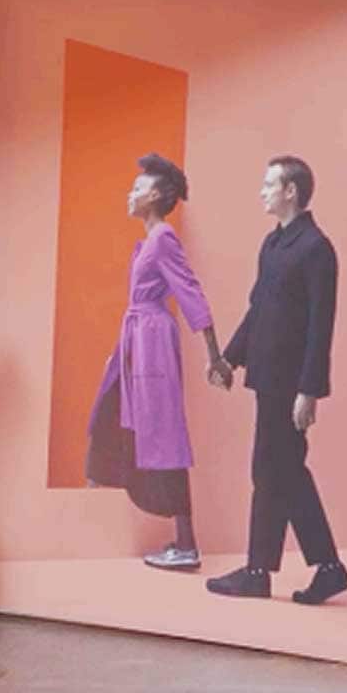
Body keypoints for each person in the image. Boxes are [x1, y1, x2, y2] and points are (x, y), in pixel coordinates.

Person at [205, 155, 347, 605]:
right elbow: (259, 310)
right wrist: (229, 357)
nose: (262, 191)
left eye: (270, 184)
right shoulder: (273, 246)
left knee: (277, 471)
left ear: (291, 191)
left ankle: (275, 571)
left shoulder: (316, 248)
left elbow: (319, 327)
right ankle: (310, 569)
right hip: (266, 379)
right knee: (280, 472)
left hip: (291, 385)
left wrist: (309, 392)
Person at [86, 153, 233, 571]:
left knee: (165, 433)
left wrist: (215, 356)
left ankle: (186, 545)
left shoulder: (164, 238)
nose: (129, 194)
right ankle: (125, 487)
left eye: (137, 188)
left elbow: (191, 293)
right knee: (111, 414)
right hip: (137, 339)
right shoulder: (149, 241)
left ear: (156, 195)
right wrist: (119, 355)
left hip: (153, 342)